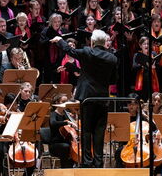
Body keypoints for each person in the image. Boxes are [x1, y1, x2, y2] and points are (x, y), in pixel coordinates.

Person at [49, 28, 118, 167]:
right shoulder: (112, 58)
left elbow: (71, 51)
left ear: (92, 42)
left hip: (87, 98)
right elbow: (113, 80)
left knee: (86, 130)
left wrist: (59, 40)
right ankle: (98, 163)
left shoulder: (87, 52)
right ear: (105, 42)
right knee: (99, 131)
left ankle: (87, 162)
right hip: (103, 99)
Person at [47, 95, 78, 168]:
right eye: (63, 101)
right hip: (56, 144)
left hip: (67, 141)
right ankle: (65, 168)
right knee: (66, 147)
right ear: (57, 103)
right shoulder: (53, 114)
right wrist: (67, 122)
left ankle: (73, 167)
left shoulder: (66, 114)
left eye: (66, 101)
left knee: (75, 146)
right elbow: (53, 123)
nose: (66, 103)